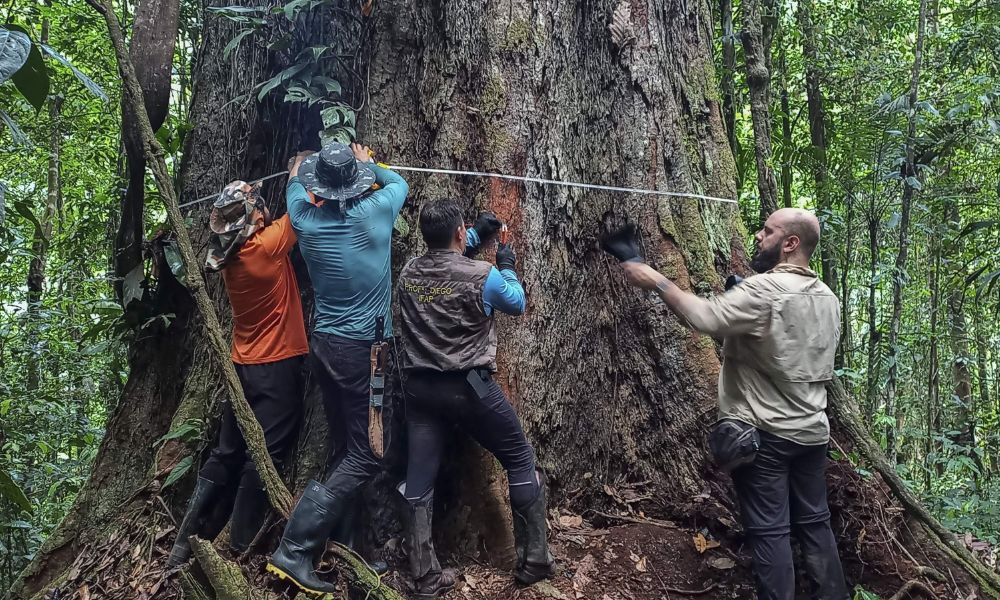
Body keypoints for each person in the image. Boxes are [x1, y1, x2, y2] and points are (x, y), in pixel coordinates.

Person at [615, 208, 848, 600]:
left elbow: (705, 318)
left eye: (768, 231)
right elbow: (783, 343)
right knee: (815, 525)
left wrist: (654, 278)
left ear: (790, 244)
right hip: (812, 435)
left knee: (771, 533)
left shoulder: (763, 292)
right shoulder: (829, 298)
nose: (758, 235)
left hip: (766, 438)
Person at [266, 142, 408, 595]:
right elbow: (398, 181)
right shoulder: (377, 212)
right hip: (363, 353)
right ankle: (294, 549)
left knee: (346, 445)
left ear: (318, 188)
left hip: (325, 346)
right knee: (369, 452)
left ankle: (345, 549)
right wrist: (370, 163)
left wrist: (297, 168)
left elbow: (292, 185)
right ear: (358, 183)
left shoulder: (304, 220)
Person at [395, 200, 555, 598]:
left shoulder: (408, 273)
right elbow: (516, 303)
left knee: (419, 480)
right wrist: (505, 262)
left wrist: (472, 240)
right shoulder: (484, 276)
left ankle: (423, 575)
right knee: (519, 459)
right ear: (458, 232)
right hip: (469, 389)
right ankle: (534, 559)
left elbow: (443, 274)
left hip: (419, 390)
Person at [168, 180, 308, 566]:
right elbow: (301, 211)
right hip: (275, 367)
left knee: (226, 451)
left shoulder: (227, 255)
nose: (262, 208)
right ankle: (238, 544)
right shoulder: (265, 247)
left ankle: (183, 544)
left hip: (242, 366)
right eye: (257, 207)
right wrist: (298, 172)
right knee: (266, 453)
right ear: (254, 220)